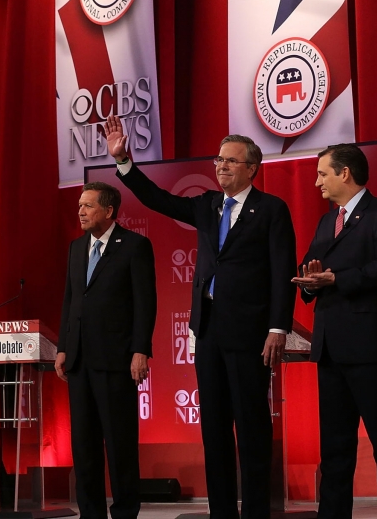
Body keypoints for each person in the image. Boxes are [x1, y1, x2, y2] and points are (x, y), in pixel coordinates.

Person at [107, 117, 297, 519]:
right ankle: (222, 512)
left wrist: (278, 326)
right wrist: (124, 161)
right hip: (207, 331)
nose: (222, 166)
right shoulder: (208, 205)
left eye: (231, 161)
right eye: (218, 159)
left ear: (251, 168)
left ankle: (257, 512)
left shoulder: (271, 209)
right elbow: (158, 199)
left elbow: (283, 270)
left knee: (251, 429)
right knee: (214, 431)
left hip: (250, 333)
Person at [292, 144, 377, 519]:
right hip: (330, 346)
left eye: (323, 173)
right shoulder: (328, 221)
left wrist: (335, 279)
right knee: (334, 446)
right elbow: (311, 268)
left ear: (345, 173)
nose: (316, 182)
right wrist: (309, 283)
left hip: (370, 344)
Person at [55, 181, 157, 519]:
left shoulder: (134, 246)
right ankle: (91, 513)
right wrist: (63, 348)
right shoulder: (74, 248)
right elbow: (71, 300)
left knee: (119, 444)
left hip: (116, 360)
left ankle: (126, 512)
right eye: (79, 206)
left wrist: (140, 350)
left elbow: (145, 303)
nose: (80, 211)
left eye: (88, 206)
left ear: (109, 210)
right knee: (83, 446)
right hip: (80, 360)